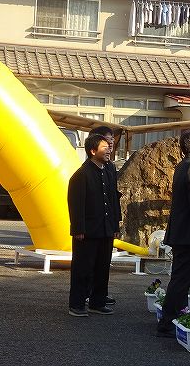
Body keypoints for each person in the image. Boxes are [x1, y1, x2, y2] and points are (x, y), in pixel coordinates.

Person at [156, 129, 190, 337]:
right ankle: (168, 322)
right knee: (181, 280)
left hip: (182, 233)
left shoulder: (184, 164)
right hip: (189, 234)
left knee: (181, 279)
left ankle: (178, 318)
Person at [67, 133, 121, 317]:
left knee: (102, 268)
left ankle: (98, 302)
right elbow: (76, 204)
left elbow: (113, 200)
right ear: (92, 151)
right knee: (83, 269)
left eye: (109, 147)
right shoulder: (81, 174)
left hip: (106, 229)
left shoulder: (108, 170)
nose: (109, 150)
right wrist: (78, 229)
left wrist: (115, 226)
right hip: (87, 231)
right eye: (104, 147)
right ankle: (77, 304)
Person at [87, 125, 118, 306]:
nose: (111, 143)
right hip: (93, 225)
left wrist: (116, 223)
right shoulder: (87, 170)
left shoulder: (110, 166)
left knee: (104, 263)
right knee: (91, 262)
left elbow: (114, 197)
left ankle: (100, 294)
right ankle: (88, 294)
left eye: (112, 139)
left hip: (108, 224)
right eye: (106, 140)